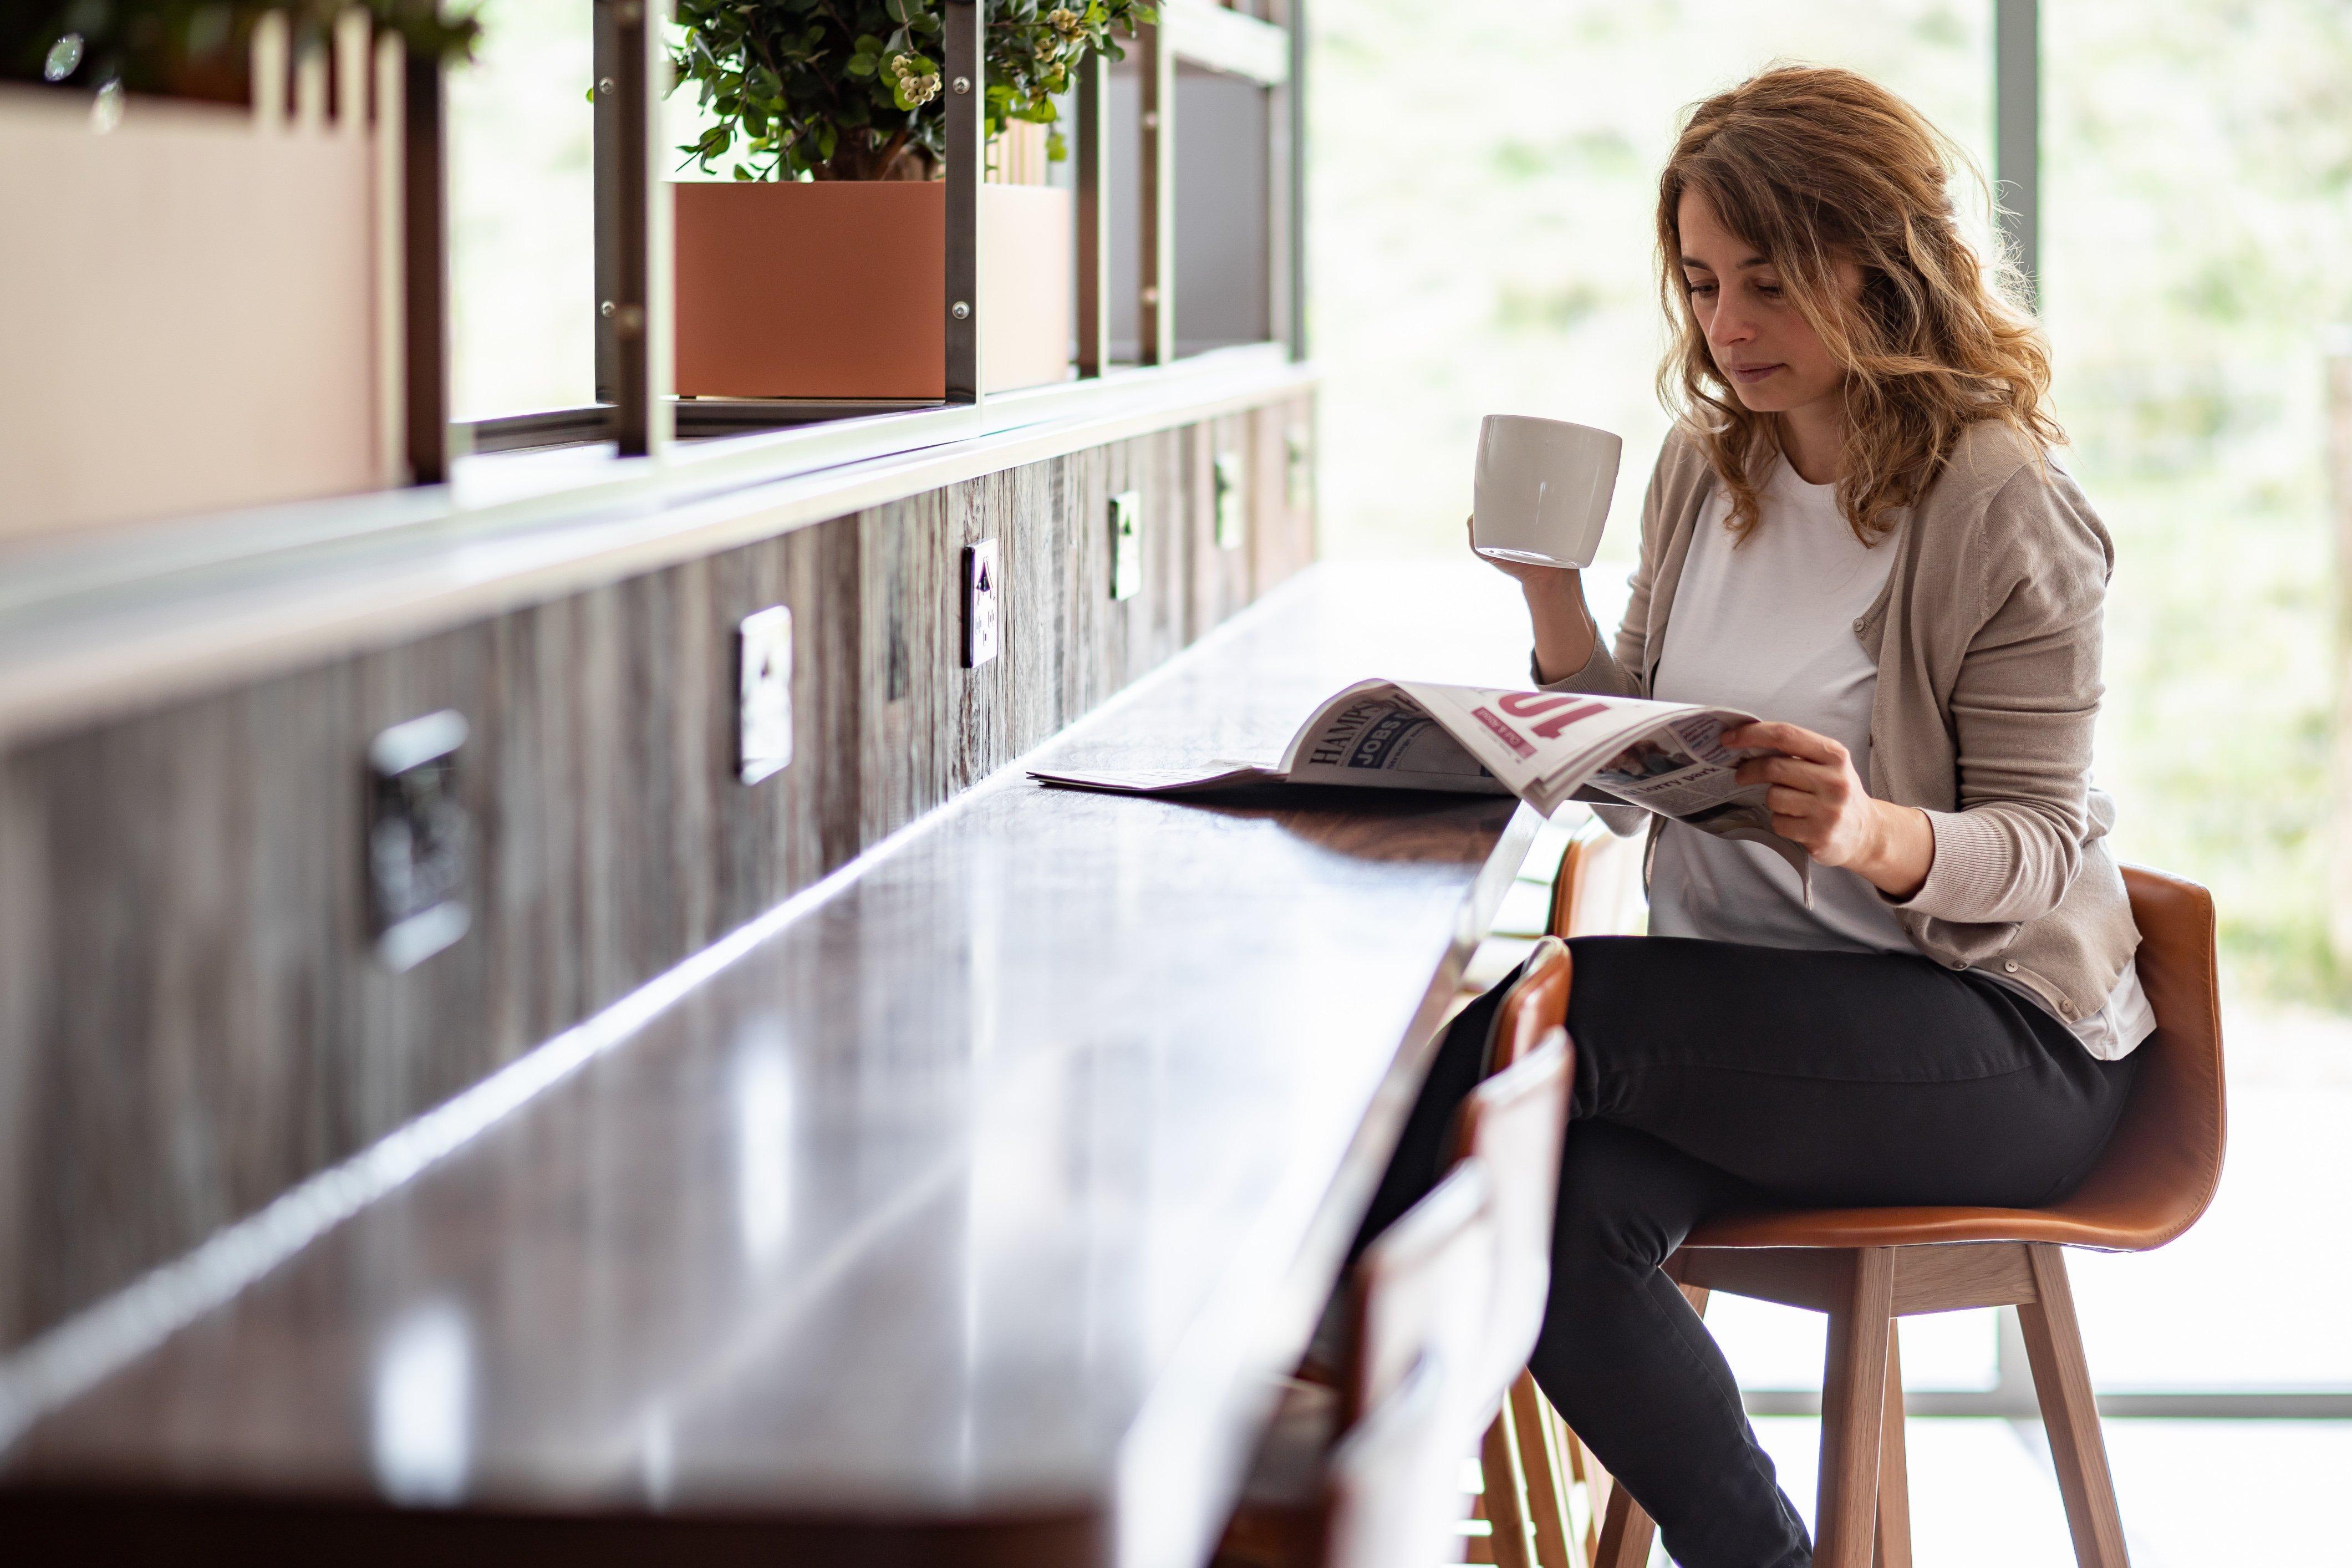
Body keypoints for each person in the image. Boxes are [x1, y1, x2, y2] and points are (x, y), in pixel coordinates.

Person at [1359, 66, 2152, 1568]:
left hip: (1990, 1035)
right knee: (1563, 1214)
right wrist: (1549, 611)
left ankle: (1279, 1381)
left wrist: (1870, 834)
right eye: (1704, 282)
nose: (1725, 326)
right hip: (1763, 1030)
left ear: (1879, 260)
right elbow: (1634, 745)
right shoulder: (1700, 465)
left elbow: (2043, 840)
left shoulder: (2000, 502)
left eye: (1769, 283)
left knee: (1550, 1016)